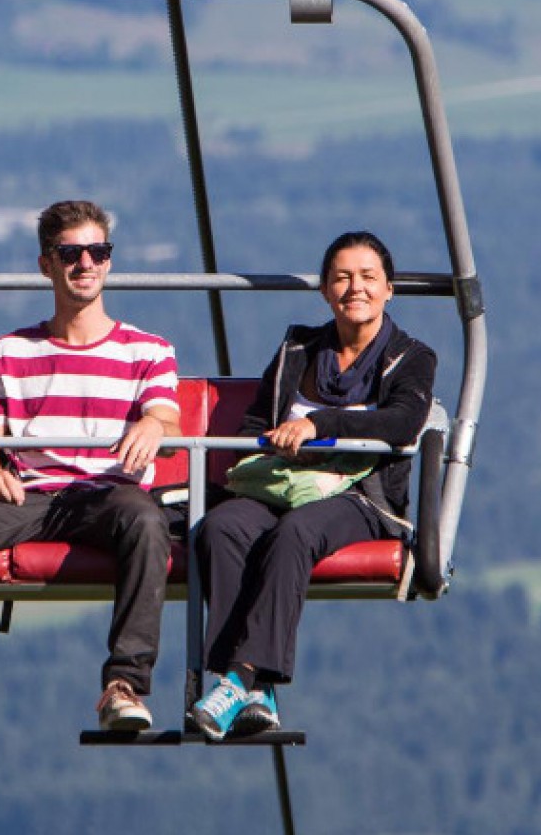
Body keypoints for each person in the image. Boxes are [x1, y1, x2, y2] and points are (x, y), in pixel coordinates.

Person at [0, 200, 181, 744]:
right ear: (46, 265)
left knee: (146, 522)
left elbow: (164, 412)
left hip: (106, 492)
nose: (86, 264)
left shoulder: (148, 349)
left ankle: (125, 684)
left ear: (111, 262)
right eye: (71, 254)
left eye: (99, 252)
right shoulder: (7, 351)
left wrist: (153, 427)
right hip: (31, 493)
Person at [188, 231, 437, 740]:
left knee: (297, 534)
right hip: (282, 486)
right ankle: (258, 692)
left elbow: (402, 424)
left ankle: (236, 678)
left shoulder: (411, 357)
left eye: (368, 277)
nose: (356, 288)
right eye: (342, 278)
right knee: (221, 527)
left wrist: (319, 426)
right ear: (325, 290)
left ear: (389, 289)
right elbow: (255, 420)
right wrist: (268, 443)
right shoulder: (297, 349)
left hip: (359, 496)